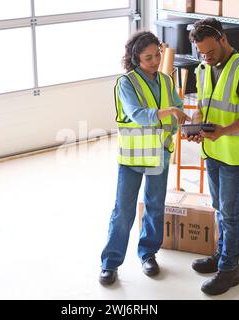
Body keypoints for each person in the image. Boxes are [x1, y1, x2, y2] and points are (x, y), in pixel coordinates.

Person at [99, 31, 190, 285]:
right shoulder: (126, 83)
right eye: (147, 57)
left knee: (155, 206)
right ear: (136, 58)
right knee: (123, 211)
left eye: (157, 55)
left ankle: (148, 254)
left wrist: (180, 120)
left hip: (159, 155)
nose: (154, 61)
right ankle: (110, 263)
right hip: (133, 157)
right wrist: (170, 111)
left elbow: (177, 108)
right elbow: (138, 114)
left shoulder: (165, 80)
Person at [187, 18, 239, 295]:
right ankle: (220, 255)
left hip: (235, 153)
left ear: (223, 39)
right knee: (219, 207)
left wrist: (223, 131)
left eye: (210, 51)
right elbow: (203, 107)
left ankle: (230, 270)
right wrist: (197, 126)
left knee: (230, 214)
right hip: (214, 150)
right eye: (201, 53)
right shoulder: (203, 68)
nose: (206, 57)